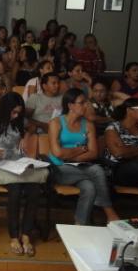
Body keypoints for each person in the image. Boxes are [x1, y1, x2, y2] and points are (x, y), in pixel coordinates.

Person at [0, 92, 48, 256]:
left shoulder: (19, 122)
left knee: (34, 190)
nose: (15, 115)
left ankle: (26, 235)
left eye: (18, 112)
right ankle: (13, 236)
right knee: (15, 190)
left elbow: (31, 126)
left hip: (18, 163)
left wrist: (27, 136)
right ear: (4, 109)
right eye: (13, 112)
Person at [48, 88, 119, 224]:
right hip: (57, 168)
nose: (86, 105)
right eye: (82, 103)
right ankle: (110, 212)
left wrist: (70, 157)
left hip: (79, 167)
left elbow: (93, 153)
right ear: (70, 106)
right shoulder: (56, 123)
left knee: (90, 188)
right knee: (97, 170)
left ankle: (80, 225)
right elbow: (57, 153)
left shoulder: (88, 125)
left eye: (86, 102)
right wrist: (81, 149)